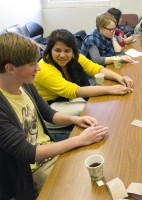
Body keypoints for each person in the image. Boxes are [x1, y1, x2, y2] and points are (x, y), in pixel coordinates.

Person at [0, 32, 109, 199]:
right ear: (10, 68)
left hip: (50, 151)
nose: (38, 68)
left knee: (97, 171)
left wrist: (75, 119)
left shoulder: (25, 85)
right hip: (31, 171)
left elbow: (48, 113)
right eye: (31, 64)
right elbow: (28, 153)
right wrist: (78, 140)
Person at [35, 29, 134, 121]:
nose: (62, 55)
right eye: (57, 50)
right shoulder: (43, 68)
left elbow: (95, 68)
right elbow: (74, 91)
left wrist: (120, 77)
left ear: (72, 50)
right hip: (49, 107)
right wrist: (111, 89)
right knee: (88, 109)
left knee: (98, 103)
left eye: (67, 51)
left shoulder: (74, 56)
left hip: (68, 98)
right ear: (50, 50)